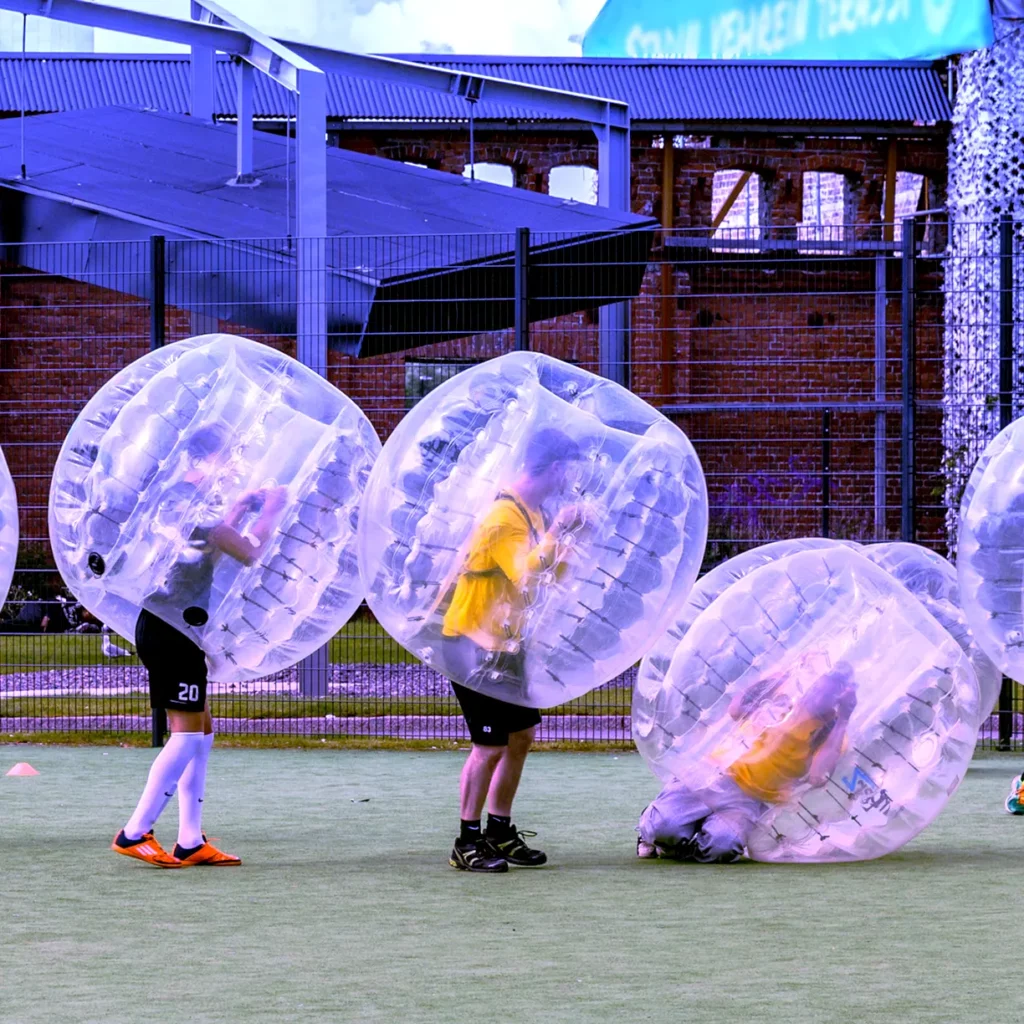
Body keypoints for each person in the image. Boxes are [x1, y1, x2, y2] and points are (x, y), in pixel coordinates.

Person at [112, 423, 287, 869]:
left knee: (202, 731)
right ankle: (135, 832)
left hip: (172, 626)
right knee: (187, 734)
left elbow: (207, 544)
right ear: (208, 458)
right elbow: (247, 551)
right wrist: (272, 509)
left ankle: (190, 839)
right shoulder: (195, 506)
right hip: (172, 630)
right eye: (230, 457)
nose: (235, 467)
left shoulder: (179, 497)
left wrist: (237, 508)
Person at [440, 427, 588, 873]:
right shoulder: (505, 516)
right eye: (569, 470)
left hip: (505, 643)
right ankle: (466, 841)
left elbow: (547, 577)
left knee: (520, 736)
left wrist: (567, 537)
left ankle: (499, 830)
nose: (570, 480)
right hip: (472, 644)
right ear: (555, 467)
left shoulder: (531, 513)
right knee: (489, 745)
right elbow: (524, 573)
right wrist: (561, 529)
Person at [637, 661, 858, 863]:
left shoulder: (832, 731)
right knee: (663, 828)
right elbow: (735, 710)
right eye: (820, 685)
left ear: (839, 697)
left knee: (721, 848)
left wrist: (844, 719)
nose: (820, 693)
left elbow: (818, 776)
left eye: (831, 691)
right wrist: (784, 674)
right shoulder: (784, 696)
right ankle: (655, 827)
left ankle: (674, 838)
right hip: (714, 773)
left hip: (750, 799)